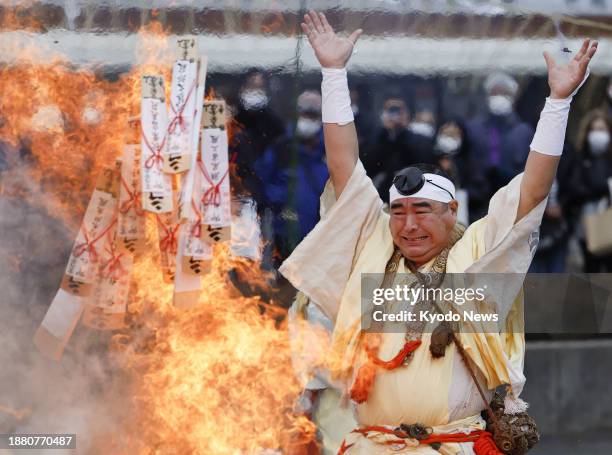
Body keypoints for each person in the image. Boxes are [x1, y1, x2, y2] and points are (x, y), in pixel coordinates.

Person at [283, 10, 597, 454]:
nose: (408, 225)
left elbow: (532, 192)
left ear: (452, 211)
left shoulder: (476, 252)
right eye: (399, 212)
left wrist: (558, 103)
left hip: (456, 445)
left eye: (423, 211)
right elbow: (343, 167)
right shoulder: (374, 244)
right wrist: (333, 73)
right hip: (371, 445)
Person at [254, 90, 329, 265]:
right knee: (284, 286)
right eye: (304, 114)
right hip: (284, 235)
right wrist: (280, 201)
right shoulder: (280, 148)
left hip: (321, 238)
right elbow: (259, 181)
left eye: (312, 115)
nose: (307, 120)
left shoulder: (331, 149)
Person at [467, 72, 534, 221]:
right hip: (479, 203)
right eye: (495, 93)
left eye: (504, 93)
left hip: (514, 201)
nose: (499, 97)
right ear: (487, 96)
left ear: (513, 98)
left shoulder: (524, 131)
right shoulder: (473, 129)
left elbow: (532, 167)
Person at [363, 97, 436, 199]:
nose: (395, 114)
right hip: (383, 195)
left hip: (412, 193)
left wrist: (403, 131)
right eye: (391, 110)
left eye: (399, 110)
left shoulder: (419, 139)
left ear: (407, 114)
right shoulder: (375, 138)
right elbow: (369, 165)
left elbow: (423, 161)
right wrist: (386, 134)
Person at [571, 109, 612, 272]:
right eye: (594, 130)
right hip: (586, 222)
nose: (597, 134)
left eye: (601, 129)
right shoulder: (580, 157)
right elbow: (575, 187)